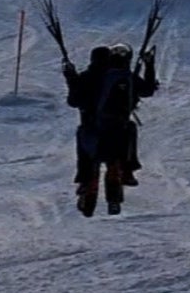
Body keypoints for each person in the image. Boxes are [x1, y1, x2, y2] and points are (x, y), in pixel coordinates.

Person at [63, 43, 159, 217]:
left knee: (86, 150)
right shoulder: (124, 77)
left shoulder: (87, 77)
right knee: (128, 132)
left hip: (91, 133)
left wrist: (71, 78)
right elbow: (147, 90)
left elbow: (74, 101)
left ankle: (86, 181)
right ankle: (125, 172)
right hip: (118, 133)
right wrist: (149, 66)